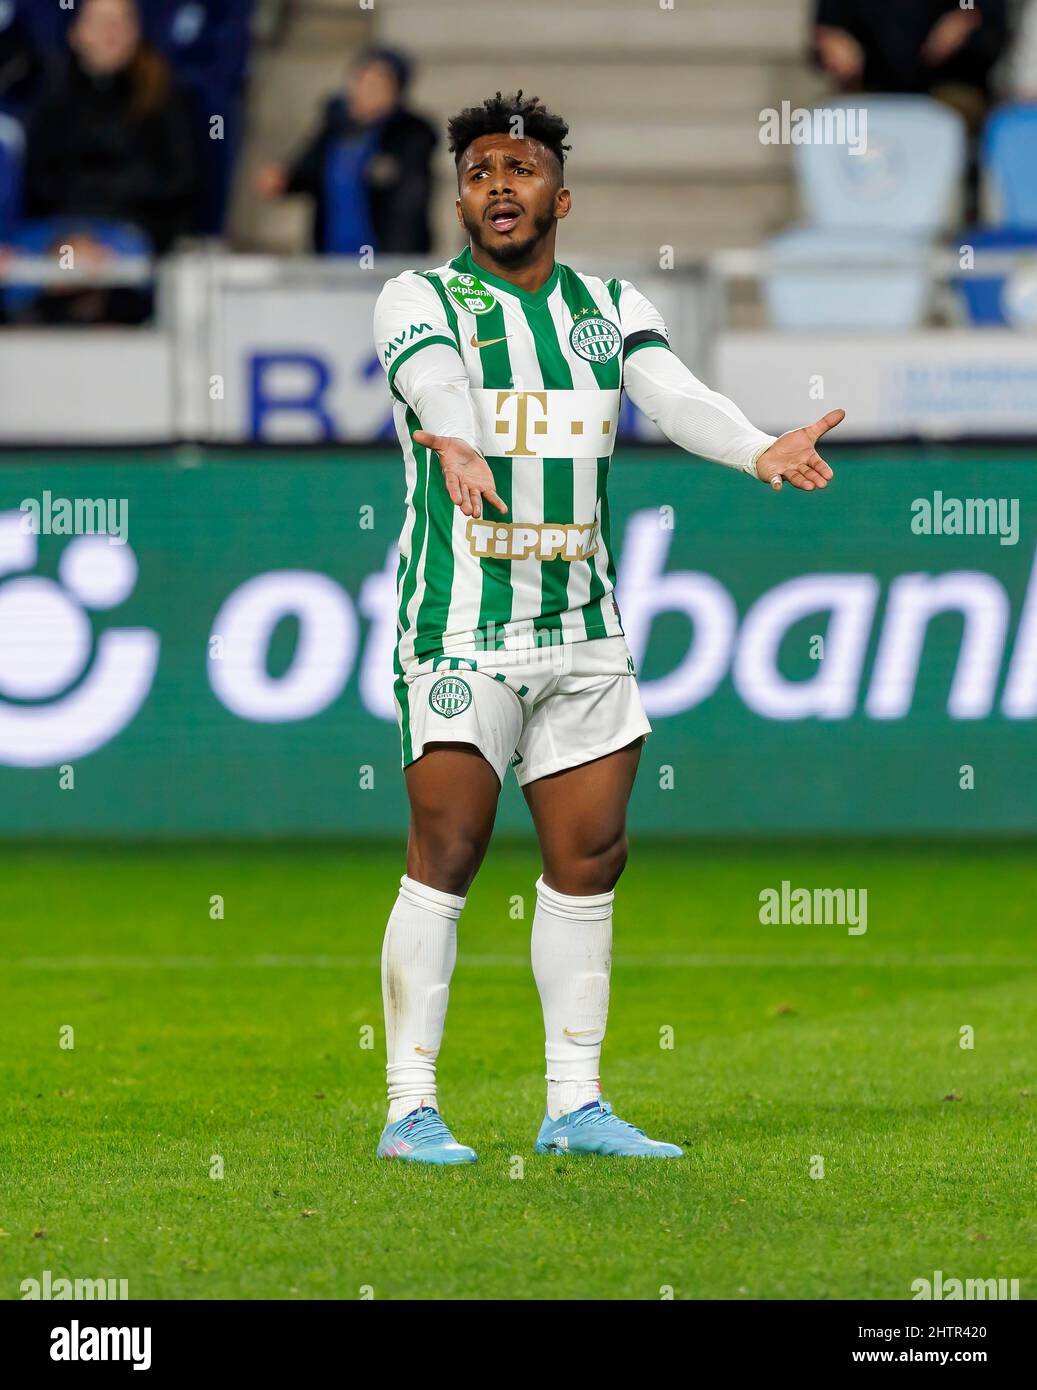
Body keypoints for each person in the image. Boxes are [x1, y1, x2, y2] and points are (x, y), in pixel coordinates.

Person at [371, 92, 842, 1164]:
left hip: (582, 624)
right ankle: (409, 1107)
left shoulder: (604, 305)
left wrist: (755, 446)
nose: (498, 183)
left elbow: (671, 395)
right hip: (459, 624)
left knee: (588, 856)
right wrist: (449, 433)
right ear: (459, 196)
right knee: (446, 847)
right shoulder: (419, 297)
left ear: (560, 196)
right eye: (480, 169)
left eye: (520, 168)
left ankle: (572, 1105)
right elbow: (427, 373)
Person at [20, 0, 196, 323]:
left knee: (100, 269)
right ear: (76, 33)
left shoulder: (164, 98)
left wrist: (94, 230)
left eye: (121, 21)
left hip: (131, 232)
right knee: (30, 266)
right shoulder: (50, 97)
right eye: (100, 21)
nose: (111, 32)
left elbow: (177, 183)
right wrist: (74, 236)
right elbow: (41, 181)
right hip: (60, 231)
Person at [257, 47, 435, 255]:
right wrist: (284, 179)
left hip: (386, 256)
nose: (367, 92)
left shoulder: (410, 136)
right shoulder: (335, 129)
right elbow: (308, 170)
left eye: (378, 85)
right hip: (333, 252)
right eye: (361, 81)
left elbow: (408, 202)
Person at [814, 0, 1008, 129]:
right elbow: (828, 30)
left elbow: (975, 12)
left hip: (947, 86)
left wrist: (966, 20)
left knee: (949, 117)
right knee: (834, 120)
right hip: (871, 87)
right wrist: (835, 44)